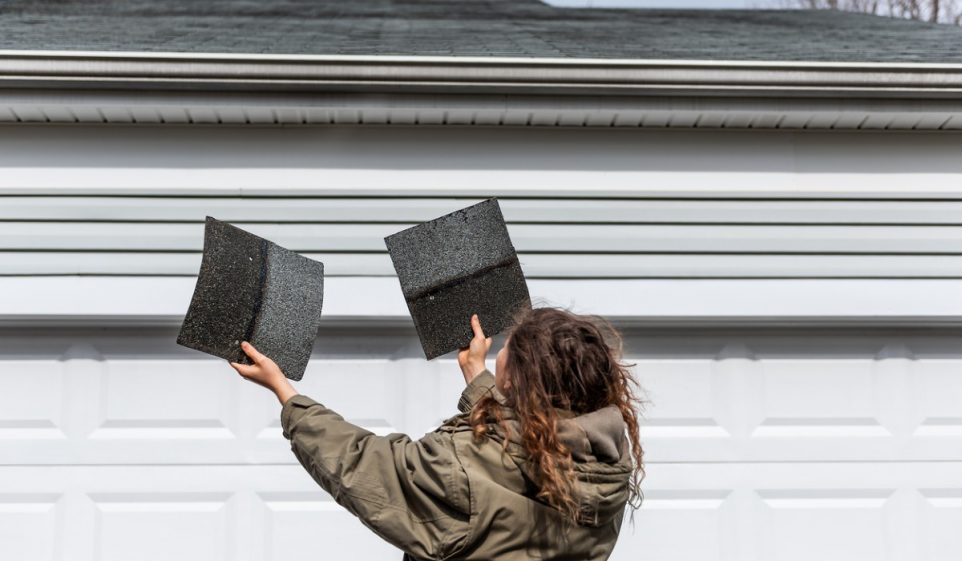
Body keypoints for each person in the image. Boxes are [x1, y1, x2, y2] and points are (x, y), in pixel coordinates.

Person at [231, 307, 646, 560]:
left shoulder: (461, 466)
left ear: (521, 380)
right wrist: (480, 382)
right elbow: (531, 437)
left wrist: (284, 391)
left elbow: (368, 467)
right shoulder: (606, 463)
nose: (498, 354)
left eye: (508, 351)